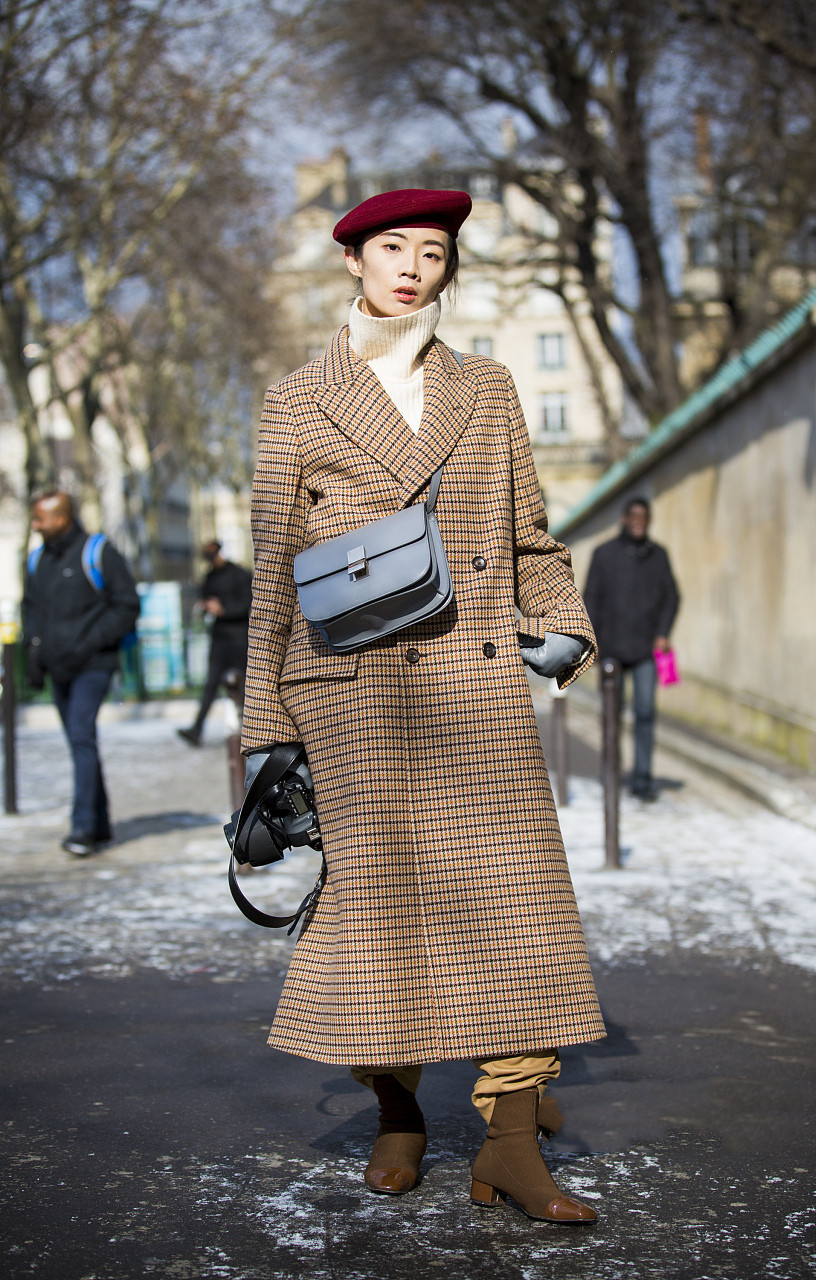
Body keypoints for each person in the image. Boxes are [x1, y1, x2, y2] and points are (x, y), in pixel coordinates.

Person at [240, 188, 605, 1223]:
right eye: (392, 247)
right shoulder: (296, 397)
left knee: (512, 908)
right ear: (353, 259)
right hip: (349, 697)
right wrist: (267, 726)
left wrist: (564, 618)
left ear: (448, 269)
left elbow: (528, 532)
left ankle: (509, 1143)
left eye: (432, 251)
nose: (411, 266)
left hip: (472, 681)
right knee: (372, 923)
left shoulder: (485, 388)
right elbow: (275, 566)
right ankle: (397, 1103)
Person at [23, 490, 140, 856]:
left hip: (93, 664)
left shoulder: (98, 552)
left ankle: (83, 828)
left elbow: (127, 605)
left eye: (40, 518)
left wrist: (90, 642)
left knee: (80, 736)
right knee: (80, 741)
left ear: (61, 518)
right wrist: (34, 658)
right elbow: (31, 610)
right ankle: (100, 825)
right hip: (59, 667)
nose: (35, 524)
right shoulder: (37, 559)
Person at [583, 496, 680, 800]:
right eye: (634, 516)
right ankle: (611, 771)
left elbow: (672, 597)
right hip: (611, 648)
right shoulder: (604, 554)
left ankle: (642, 778)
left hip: (646, 651)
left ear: (648, 521)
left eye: (644, 517)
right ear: (624, 519)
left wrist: (663, 633)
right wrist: (594, 643)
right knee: (611, 714)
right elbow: (591, 600)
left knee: (645, 713)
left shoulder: (658, 555)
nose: (639, 521)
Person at [177, 540, 253, 746]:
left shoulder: (239, 574)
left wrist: (224, 610)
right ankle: (197, 728)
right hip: (219, 638)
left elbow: (248, 603)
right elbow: (204, 603)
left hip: (239, 637)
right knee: (210, 684)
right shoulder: (209, 577)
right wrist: (205, 608)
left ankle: (253, 730)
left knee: (246, 686)